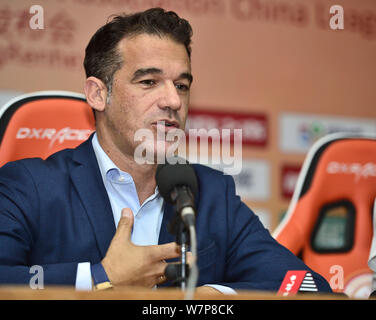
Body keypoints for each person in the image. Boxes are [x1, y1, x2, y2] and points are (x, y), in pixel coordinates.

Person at [0, 7, 331, 294]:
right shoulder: (29, 185)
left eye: (182, 86)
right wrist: (102, 277)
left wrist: (210, 297)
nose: (173, 101)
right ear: (98, 94)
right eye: (148, 82)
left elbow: (308, 286)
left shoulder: (212, 193)